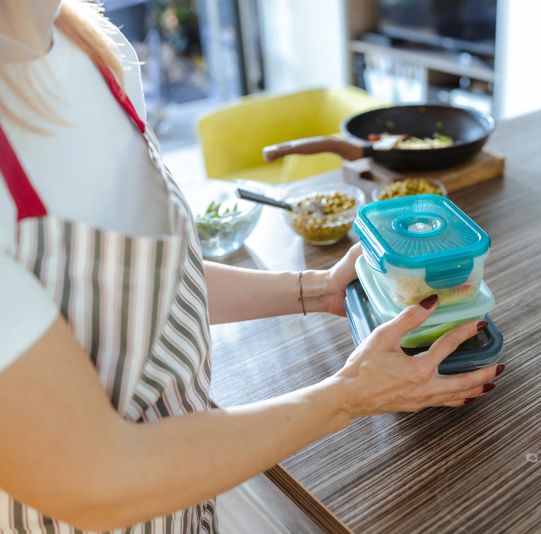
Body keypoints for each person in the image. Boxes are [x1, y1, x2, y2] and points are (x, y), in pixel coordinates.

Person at [0, 1, 503, 531]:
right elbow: (95, 480)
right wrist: (352, 394)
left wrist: (318, 288)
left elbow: (144, 281)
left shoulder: (94, 49)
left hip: (190, 490)